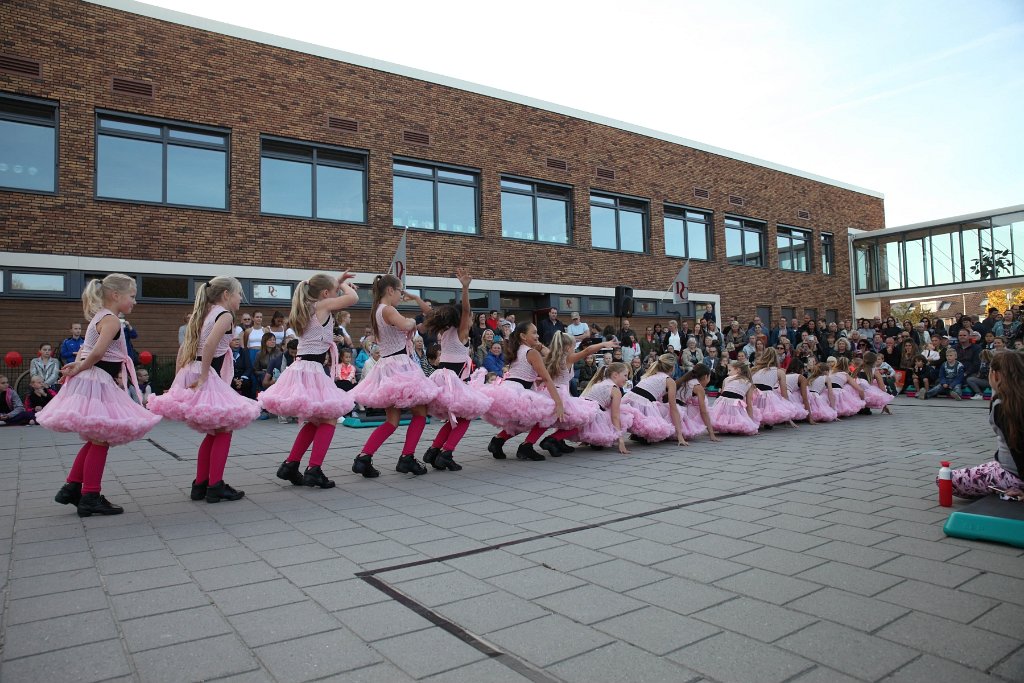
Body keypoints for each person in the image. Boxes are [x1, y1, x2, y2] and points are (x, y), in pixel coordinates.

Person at [40, 274, 161, 516]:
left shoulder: (99, 317)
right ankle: (90, 496)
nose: (134, 302)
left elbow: (85, 350)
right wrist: (78, 368)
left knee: (95, 437)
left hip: (91, 378)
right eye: (132, 296)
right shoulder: (112, 320)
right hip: (97, 379)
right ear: (116, 296)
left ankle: (73, 487)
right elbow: (95, 353)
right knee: (101, 439)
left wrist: (75, 368)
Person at [149, 277, 260, 503]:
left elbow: (186, 347)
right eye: (239, 294)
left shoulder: (207, 313)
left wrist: (181, 376)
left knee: (214, 431)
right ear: (227, 295)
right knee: (224, 429)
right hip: (206, 372)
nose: (241, 298)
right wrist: (203, 376)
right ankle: (215, 485)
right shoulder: (225, 315)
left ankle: (200, 483)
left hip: (196, 367)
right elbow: (209, 344)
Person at [261, 273, 359, 489]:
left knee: (314, 421)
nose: (336, 295)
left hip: (302, 367)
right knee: (330, 418)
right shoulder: (322, 306)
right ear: (325, 294)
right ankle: (314, 469)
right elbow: (353, 298)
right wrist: (343, 284)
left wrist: (336, 281)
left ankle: (291, 464)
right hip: (312, 369)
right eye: (333, 291)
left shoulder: (306, 306)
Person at [349, 276, 441, 477]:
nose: (401, 295)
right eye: (400, 291)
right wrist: (411, 320)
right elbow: (407, 325)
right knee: (420, 412)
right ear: (390, 290)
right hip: (399, 366)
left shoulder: (377, 310)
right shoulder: (389, 310)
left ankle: (364, 457)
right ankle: (407, 457)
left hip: (387, 366)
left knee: (391, 420)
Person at [420, 268, 493, 471]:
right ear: (463, 318)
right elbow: (467, 310)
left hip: (444, 378)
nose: (471, 320)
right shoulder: (461, 332)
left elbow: (429, 312)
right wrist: (465, 288)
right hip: (456, 382)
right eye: (469, 318)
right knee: (466, 418)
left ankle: (434, 450)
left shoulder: (445, 331)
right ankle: (446, 452)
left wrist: (413, 297)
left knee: (455, 419)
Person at [944, 351, 1024, 498]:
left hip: (1015, 475)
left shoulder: (1004, 405)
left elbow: (1019, 449)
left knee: (945, 479)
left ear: (995, 375)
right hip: (1012, 468)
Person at [481, 322, 565, 461]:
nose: (537, 335)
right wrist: (558, 403)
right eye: (534, 332)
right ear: (523, 336)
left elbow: (534, 371)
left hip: (510, 387)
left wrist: (540, 346)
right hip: (520, 390)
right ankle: (527, 446)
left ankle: (498, 441)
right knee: (547, 413)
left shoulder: (518, 349)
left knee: (522, 421)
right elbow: (547, 378)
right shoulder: (531, 352)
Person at [621, 353, 690, 445]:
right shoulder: (669, 380)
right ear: (673, 367)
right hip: (643, 403)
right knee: (675, 409)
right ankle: (644, 433)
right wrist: (680, 436)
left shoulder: (651, 375)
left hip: (628, 399)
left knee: (658, 407)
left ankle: (639, 434)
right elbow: (673, 408)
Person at [578, 362, 635, 454]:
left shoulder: (600, 383)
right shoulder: (615, 390)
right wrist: (621, 441)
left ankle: (592, 440)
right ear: (615, 375)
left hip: (584, 411)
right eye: (625, 375)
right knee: (624, 414)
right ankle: (595, 439)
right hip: (595, 416)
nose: (626, 379)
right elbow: (615, 416)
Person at [751, 348, 800, 429]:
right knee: (772, 395)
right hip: (766, 396)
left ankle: (759, 420)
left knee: (767, 394)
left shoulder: (754, 370)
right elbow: (784, 393)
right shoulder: (779, 371)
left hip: (753, 395)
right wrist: (788, 415)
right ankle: (767, 420)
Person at [707, 361, 760, 435]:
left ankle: (723, 425)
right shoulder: (748, 383)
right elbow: (749, 404)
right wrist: (751, 423)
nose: (728, 373)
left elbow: (722, 393)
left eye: (730, 370)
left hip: (721, 404)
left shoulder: (727, 379)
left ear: (737, 370)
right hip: (735, 405)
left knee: (725, 409)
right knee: (736, 410)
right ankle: (733, 426)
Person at [783, 357, 813, 423]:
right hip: (787, 394)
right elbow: (805, 399)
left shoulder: (785, 375)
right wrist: (810, 418)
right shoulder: (800, 377)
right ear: (800, 369)